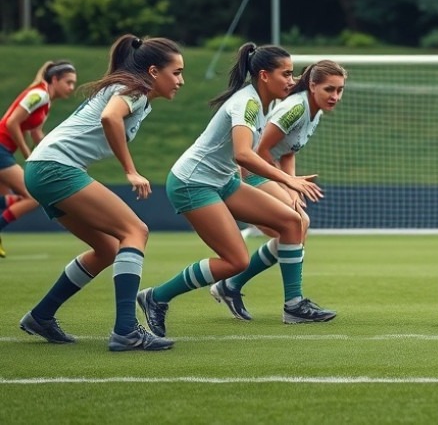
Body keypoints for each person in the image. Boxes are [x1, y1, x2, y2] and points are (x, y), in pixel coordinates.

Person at [137, 43, 329, 337]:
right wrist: (287, 180)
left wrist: (285, 180)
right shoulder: (249, 104)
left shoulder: (265, 104)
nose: (293, 81)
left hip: (223, 181)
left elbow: (250, 157)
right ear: (264, 75)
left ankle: (294, 305)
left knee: (293, 222)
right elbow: (243, 154)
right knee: (235, 260)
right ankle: (156, 296)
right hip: (193, 183)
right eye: (286, 73)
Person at [19, 34, 183, 351]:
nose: (181, 80)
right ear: (153, 72)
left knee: (107, 248)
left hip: (42, 168)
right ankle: (126, 330)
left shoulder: (132, 89)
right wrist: (130, 171)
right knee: (135, 230)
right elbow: (110, 118)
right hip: (54, 168)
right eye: (176, 72)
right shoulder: (137, 90)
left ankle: (41, 316)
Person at [210, 60, 346, 322]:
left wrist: (291, 185)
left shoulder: (313, 110)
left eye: (340, 90)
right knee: (297, 226)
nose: (335, 96)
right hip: (251, 176)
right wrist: (287, 183)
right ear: (313, 85)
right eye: (330, 89)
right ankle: (292, 306)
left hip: (268, 174)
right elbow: (259, 150)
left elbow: (287, 152)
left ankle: (232, 286)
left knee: (294, 232)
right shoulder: (296, 108)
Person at [0, 61, 77, 256]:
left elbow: (36, 134)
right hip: (1, 149)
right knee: (33, 196)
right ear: (54, 79)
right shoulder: (39, 95)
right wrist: (28, 155)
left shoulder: (45, 100)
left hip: (5, 150)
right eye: (68, 82)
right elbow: (11, 123)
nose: (71, 87)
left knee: (5, 199)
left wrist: (53, 156)